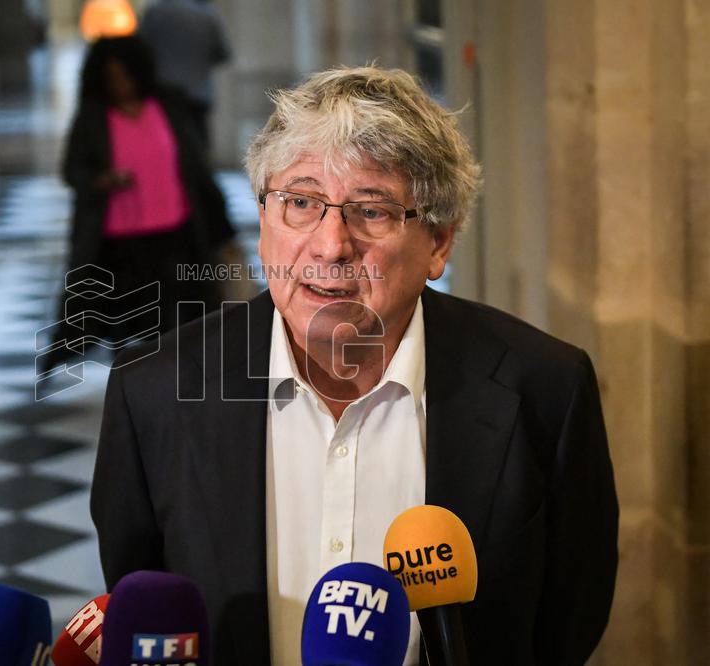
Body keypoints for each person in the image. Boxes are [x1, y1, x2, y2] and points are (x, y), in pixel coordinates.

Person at [90, 66, 619, 664]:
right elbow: (145, 612)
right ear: (264, 222)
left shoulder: (545, 390)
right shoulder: (154, 396)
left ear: (439, 243)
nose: (330, 244)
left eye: (372, 211)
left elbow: (566, 623)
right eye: (301, 202)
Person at [46, 36, 231, 372]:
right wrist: (102, 180)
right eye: (111, 78)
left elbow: (197, 167)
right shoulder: (93, 117)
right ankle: (139, 376)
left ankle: (173, 371)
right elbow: (72, 170)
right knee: (128, 313)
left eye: (125, 76)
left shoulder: (169, 106)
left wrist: (220, 220)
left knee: (179, 307)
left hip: (174, 227)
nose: (120, 85)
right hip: (120, 235)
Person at [139, 0, 230, 145]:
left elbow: (141, 51)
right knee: (197, 148)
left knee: (166, 144)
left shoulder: (155, 13)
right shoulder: (207, 14)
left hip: (163, 93)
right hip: (197, 94)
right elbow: (222, 54)